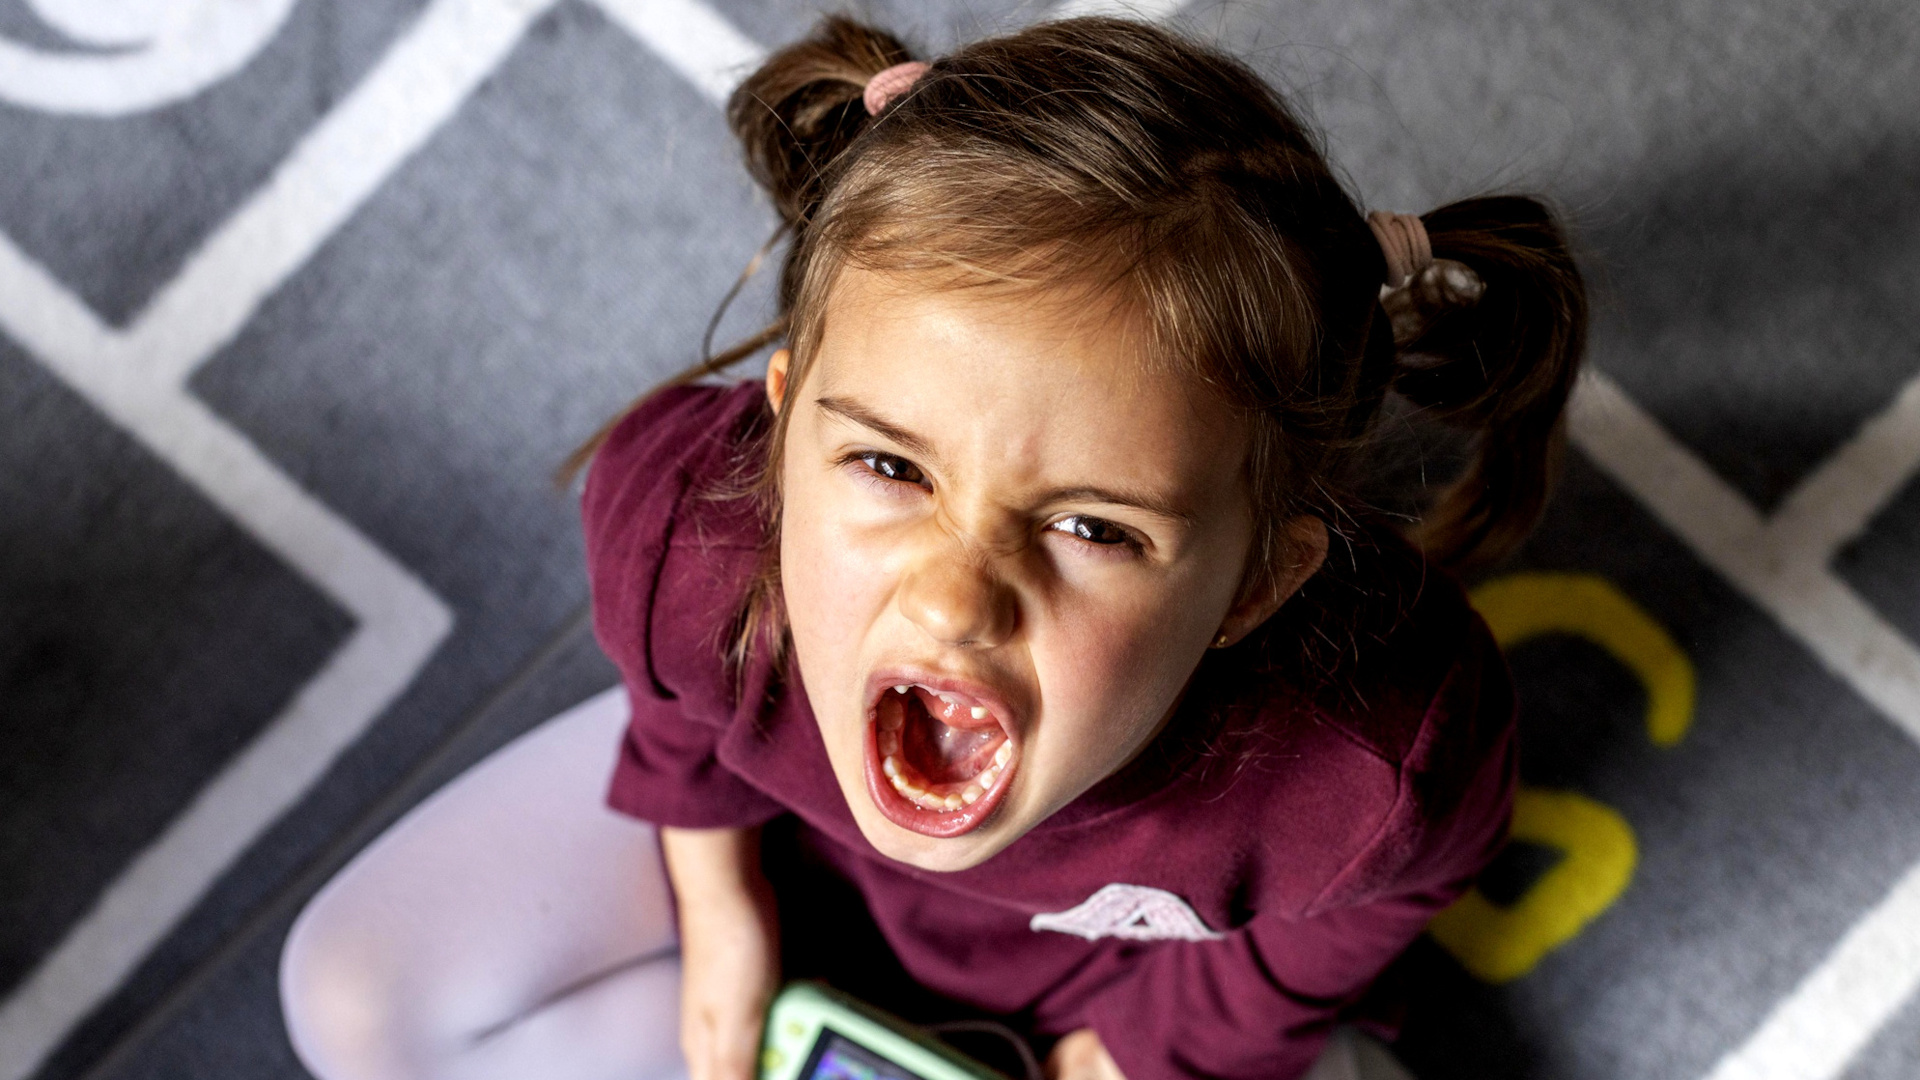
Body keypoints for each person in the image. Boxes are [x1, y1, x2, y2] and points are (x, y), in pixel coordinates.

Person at [279, 14, 1586, 1080]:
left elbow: (1367, 909)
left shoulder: (1370, 761)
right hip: (802, 868)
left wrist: (1147, 1054)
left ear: (1254, 580)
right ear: (783, 435)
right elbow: (677, 709)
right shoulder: (692, 529)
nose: (957, 602)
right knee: (351, 997)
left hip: (1127, 994)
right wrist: (722, 910)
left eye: (1089, 527)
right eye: (891, 467)